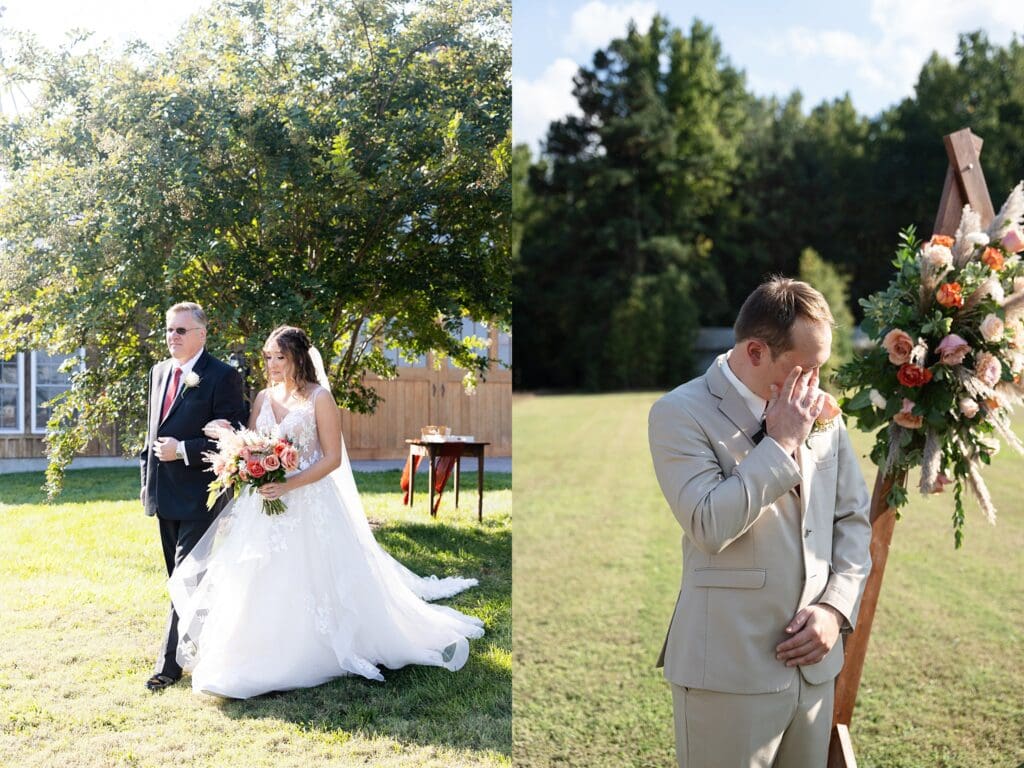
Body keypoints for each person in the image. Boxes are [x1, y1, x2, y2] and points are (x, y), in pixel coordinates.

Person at [167, 325, 484, 698]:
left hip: (310, 502)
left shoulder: (319, 399)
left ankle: (314, 650)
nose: (270, 364)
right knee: (257, 576)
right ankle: (250, 651)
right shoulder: (263, 398)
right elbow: (252, 444)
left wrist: (288, 484)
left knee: (311, 574)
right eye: (267, 356)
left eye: (279, 357)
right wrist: (235, 447)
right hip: (264, 504)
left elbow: (332, 458)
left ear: (298, 357)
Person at [647, 278, 872, 767]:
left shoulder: (823, 414)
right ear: (754, 351)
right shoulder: (678, 413)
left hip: (814, 670)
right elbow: (707, 523)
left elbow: (852, 521)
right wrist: (780, 443)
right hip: (726, 672)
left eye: (821, 369)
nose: (815, 385)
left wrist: (835, 610)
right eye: (804, 370)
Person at [140, 301, 248, 692]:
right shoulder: (158, 373)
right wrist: (146, 483)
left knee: (186, 579)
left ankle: (169, 665)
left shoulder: (223, 376)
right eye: (169, 330)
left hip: (202, 496)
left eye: (181, 330)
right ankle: (202, 645)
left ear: (202, 334)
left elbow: (234, 438)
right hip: (163, 494)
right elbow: (150, 433)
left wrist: (184, 449)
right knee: (180, 579)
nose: (172, 337)